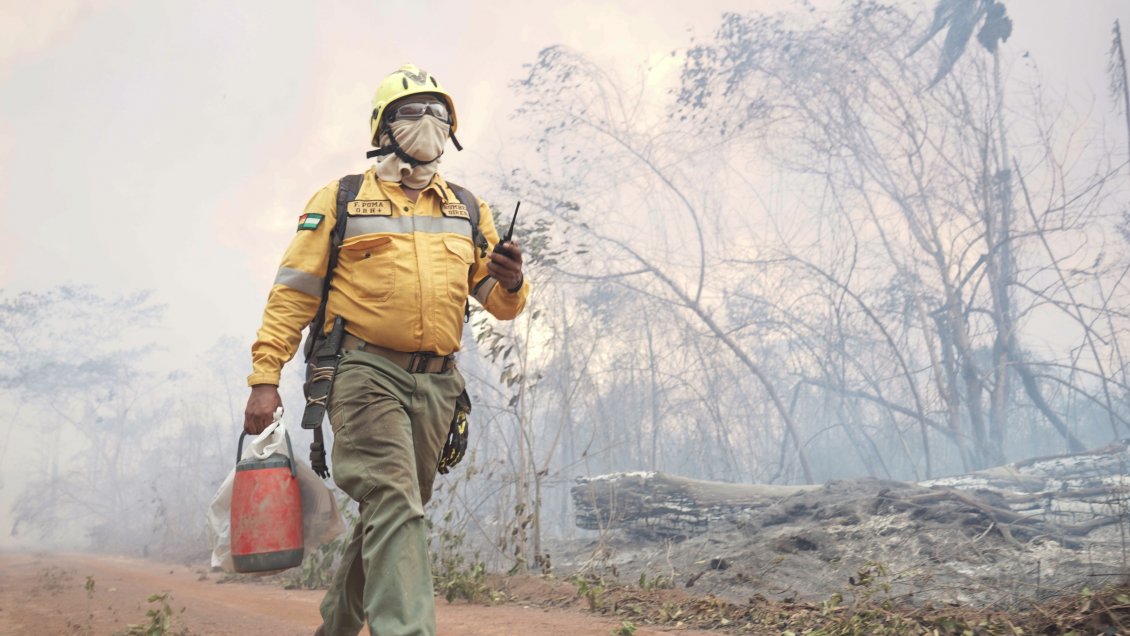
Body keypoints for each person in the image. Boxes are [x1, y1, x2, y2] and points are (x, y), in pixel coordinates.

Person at [242, 63, 529, 636]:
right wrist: (264, 376)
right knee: (396, 499)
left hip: (438, 383)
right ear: (382, 128)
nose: (428, 123)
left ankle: (338, 628)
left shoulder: (468, 209)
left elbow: (498, 302)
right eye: (412, 113)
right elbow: (293, 293)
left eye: (439, 114)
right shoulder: (343, 198)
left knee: (391, 510)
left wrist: (513, 280)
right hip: (362, 372)